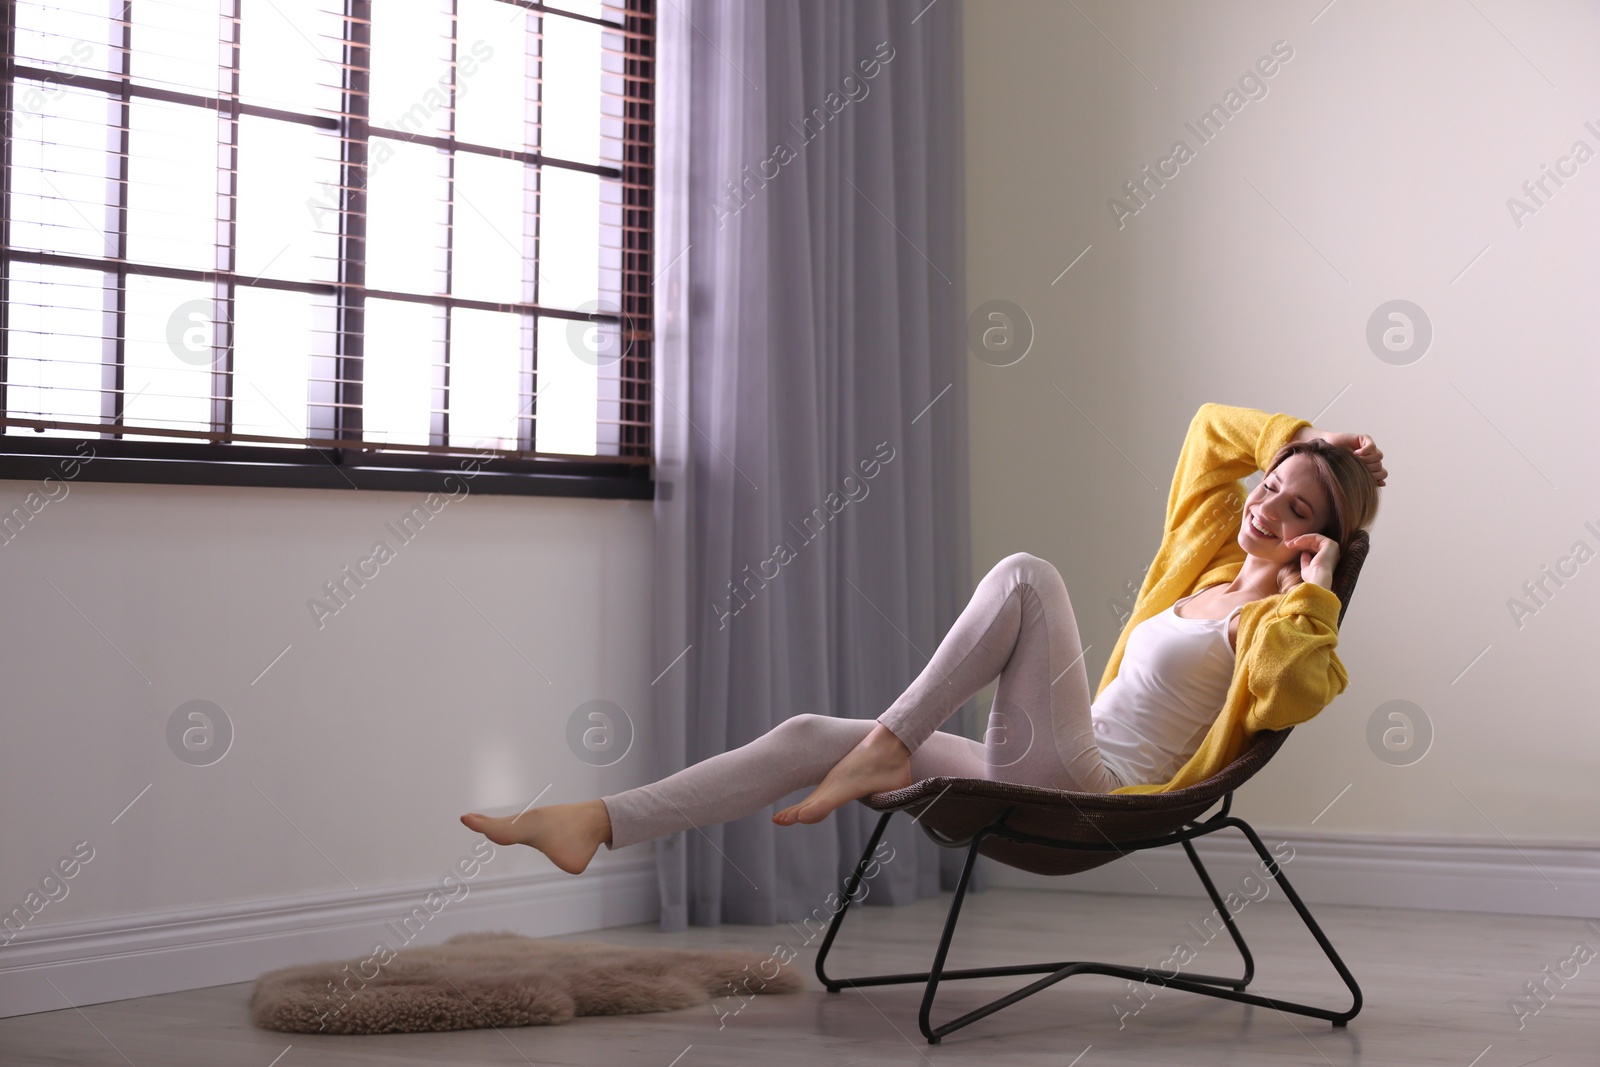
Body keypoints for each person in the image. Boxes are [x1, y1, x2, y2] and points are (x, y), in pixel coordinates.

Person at [461, 402, 1385, 874]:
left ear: (1320, 534)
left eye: (1293, 506)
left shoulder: (1274, 621)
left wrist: (1318, 590)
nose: (1263, 503)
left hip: (1103, 794)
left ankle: (885, 747)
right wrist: (1308, 437)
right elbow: (1209, 430)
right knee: (805, 735)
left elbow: (1297, 694)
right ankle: (596, 823)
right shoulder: (1202, 562)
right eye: (1268, 484)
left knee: (1027, 574)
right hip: (1047, 760)